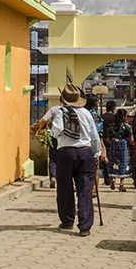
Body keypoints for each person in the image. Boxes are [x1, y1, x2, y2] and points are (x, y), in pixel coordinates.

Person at [51, 83, 101, 236]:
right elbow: (94, 136)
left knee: (65, 188)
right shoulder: (87, 113)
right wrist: (96, 153)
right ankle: (84, 226)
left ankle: (67, 221)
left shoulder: (61, 112)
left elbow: (57, 130)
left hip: (66, 153)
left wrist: (55, 133)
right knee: (85, 189)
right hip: (85, 153)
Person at [83, 95, 108, 196]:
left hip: (83, 144)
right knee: (94, 168)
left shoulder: (83, 113)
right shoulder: (95, 115)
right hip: (93, 144)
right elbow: (98, 134)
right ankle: (93, 189)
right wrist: (102, 148)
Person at [107, 108, 133, 191]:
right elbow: (131, 139)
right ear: (123, 117)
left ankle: (113, 180)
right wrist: (127, 143)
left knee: (114, 162)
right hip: (123, 145)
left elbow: (108, 138)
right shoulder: (127, 127)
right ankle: (121, 185)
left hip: (114, 144)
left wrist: (112, 143)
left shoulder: (111, 126)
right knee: (123, 163)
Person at [37, 104, 62, 188]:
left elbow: (43, 119)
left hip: (54, 136)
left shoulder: (54, 109)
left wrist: (39, 129)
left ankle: (53, 177)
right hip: (66, 138)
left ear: (59, 100)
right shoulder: (72, 109)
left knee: (53, 158)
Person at [100, 100, 117, 186]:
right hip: (114, 140)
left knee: (105, 159)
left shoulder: (102, 116)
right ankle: (113, 177)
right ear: (113, 108)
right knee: (114, 159)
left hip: (104, 140)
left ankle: (107, 179)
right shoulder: (115, 117)